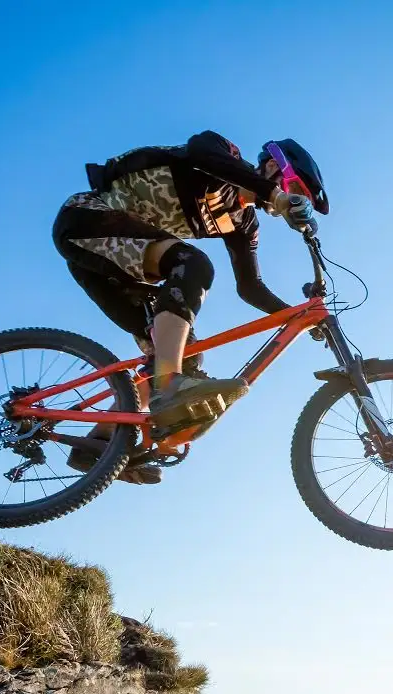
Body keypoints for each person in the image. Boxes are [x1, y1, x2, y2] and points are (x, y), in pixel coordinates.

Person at [53, 132, 329, 482]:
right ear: (274, 166)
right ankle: (169, 391)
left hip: (115, 266)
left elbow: (250, 288)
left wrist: (300, 315)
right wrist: (274, 193)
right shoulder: (220, 153)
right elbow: (203, 156)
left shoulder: (242, 223)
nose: (294, 200)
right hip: (87, 219)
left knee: (186, 356)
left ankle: (99, 450)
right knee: (194, 265)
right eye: (297, 190)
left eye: (299, 198)